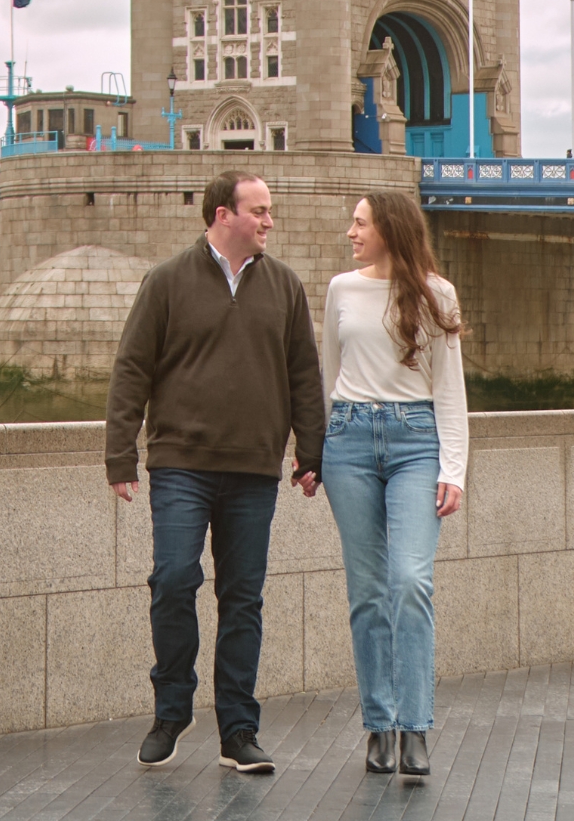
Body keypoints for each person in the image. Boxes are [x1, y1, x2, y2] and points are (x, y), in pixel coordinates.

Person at [106, 169, 325, 774]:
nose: (269, 220)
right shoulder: (168, 281)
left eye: (270, 210)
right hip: (181, 465)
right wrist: (120, 454)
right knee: (174, 581)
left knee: (243, 599)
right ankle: (171, 710)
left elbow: (305, 375)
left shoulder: (285, 285)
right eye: (259, 210)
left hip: (255, 469)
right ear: (222, 215)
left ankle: (238, 730)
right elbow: (132, 371)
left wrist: (313, 453)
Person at [321, 191, 468, 776]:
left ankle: (416, 726)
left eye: (359, 223)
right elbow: (329, 373)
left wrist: (452, 469)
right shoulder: (339, 290)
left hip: (416, 443)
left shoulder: (437, 293)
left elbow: (451, 389)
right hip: (349, 442)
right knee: (366, 592)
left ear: (387, 229)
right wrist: (317, 448)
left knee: (409, 581)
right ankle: (378, 726)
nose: (351, 232)